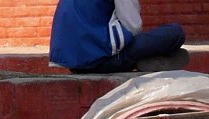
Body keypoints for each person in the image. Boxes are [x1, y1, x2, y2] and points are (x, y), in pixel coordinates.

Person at [49, 0, 188, 74]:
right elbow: (133, 26)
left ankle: (150, 59)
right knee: (175, 33)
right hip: (101, 62)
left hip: (74, 64)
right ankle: (151, 58)